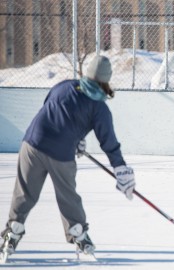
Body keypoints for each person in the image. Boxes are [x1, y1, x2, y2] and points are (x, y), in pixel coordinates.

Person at [0, 55, 136, 260]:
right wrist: (121, 170)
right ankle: (78, 232)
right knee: (67, 195)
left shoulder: (65, 86)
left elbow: (50, 108)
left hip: (32, 144)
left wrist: (75, 137)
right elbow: (109, 143)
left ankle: (13, 230)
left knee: (25, 192)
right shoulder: (99, 107)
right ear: (106, 79)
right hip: (60, 154)